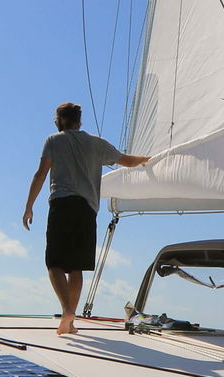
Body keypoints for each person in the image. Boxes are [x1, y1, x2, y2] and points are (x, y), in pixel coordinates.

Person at [23, 102, 149, 335]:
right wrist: (150, 159)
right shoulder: (97, 144)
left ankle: (66, 311)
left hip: (62, 205)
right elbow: (128, 161)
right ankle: (70, 321)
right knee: (76, 267)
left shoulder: (53, 140)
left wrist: (29, 206)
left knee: (54, 263)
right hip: (87, 209)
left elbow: (40, 174)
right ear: (79, 121)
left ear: (61, 120)